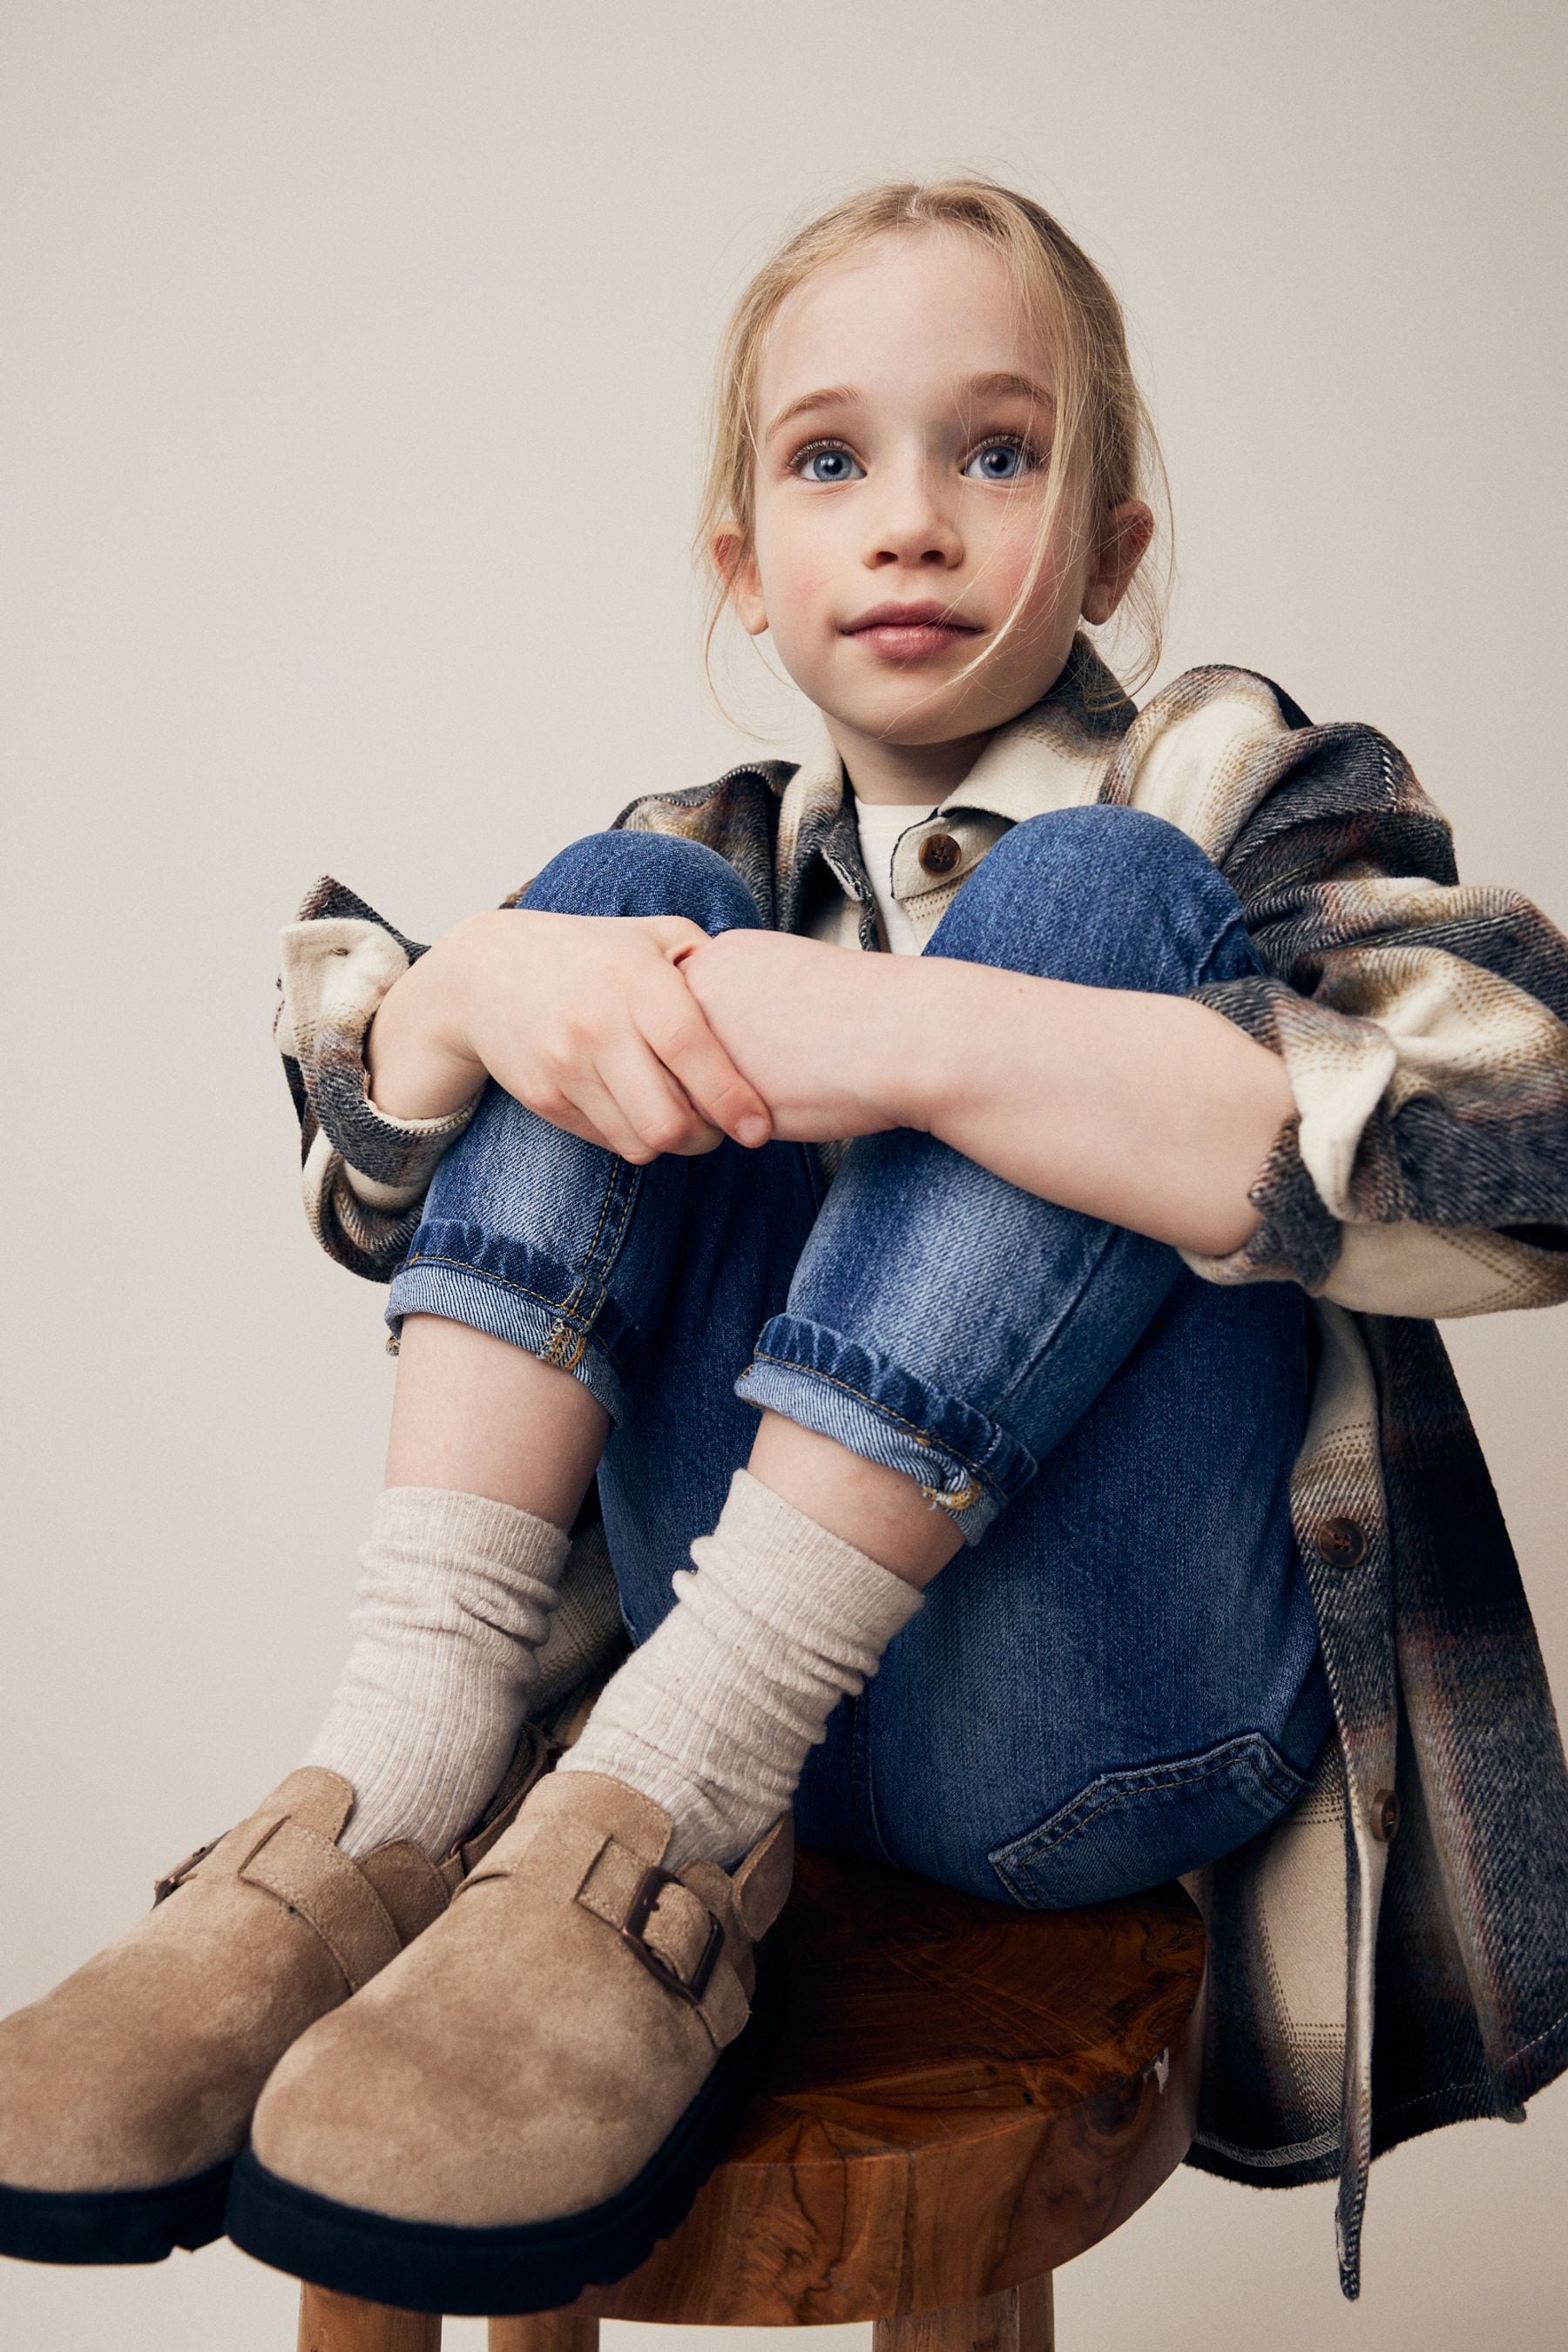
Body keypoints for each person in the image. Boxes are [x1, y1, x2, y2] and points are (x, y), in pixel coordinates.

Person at [3, 177, 1567, 2316]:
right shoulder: (701, 869)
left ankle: (659, 1776)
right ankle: (387, 1783)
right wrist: (467, 993)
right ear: (747, 565)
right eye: (832, 462)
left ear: (1110, 544)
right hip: (708, 1715)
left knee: (1093, 902)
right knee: (585, 911)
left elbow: (1528, 1139)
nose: (909, 522)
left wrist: (930, 1033)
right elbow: (379, 1197)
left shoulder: (1236, 797)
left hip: (1082, 1734)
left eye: (995, 454)